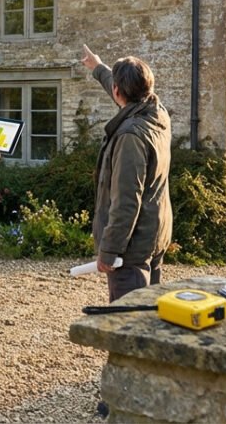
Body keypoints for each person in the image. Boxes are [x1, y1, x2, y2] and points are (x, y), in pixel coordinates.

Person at [80, 44, 172, 303]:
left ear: (119, 92)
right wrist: (98, 68)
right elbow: (123, 92)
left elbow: (126, 200)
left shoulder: (130, 136)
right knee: (148, 314)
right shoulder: (156, 112)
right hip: (153, 234)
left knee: (127, 322)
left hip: (131, 249)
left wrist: (109, 251)